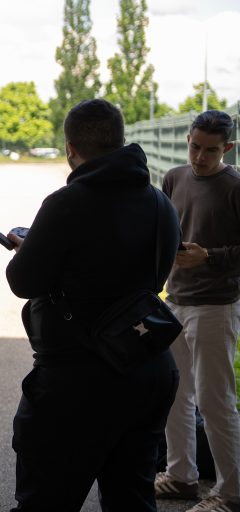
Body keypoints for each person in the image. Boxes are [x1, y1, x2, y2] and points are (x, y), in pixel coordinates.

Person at [4, 99, 181, 511]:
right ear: (120, 141)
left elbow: (23, 281)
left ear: (71, 148)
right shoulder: (159, 202)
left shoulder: (66, 203)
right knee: (132, 498)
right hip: (147, 367)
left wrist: (27, 249)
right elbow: (152, 278)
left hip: (77, 381)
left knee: (45, 501)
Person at [156, 110, 240, 512]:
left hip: (217, 307)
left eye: (210, 150)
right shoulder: (173, 177)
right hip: (176, 300)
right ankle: (181, 477)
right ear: (188, 139)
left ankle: (231, 493)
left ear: (228, 148)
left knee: (216, 402)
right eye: (194, 146)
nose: (199, 158)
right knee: (174, 393)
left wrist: (210, 258)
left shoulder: (236, 186)